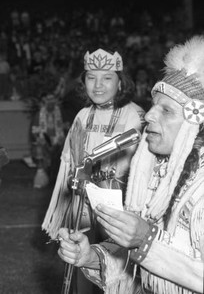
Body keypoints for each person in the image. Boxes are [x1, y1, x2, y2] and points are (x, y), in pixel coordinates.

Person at [57, 36, 204, 294]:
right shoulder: (161, 173)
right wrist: (91, 256)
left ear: (196, 122)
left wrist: (146, 240)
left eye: (167, 111)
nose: (148, 115)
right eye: (154, 106)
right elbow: (140, 263)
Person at [42, 48, 145, 294]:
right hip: (83, 209)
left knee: (118, 275)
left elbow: (138, 172)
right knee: (83, 273)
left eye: (107, 78)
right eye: (91, 77)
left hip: (120, 212)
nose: (98, 85)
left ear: (121, 83)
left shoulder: (135, 114)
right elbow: (68, 164)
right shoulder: (82, 115)